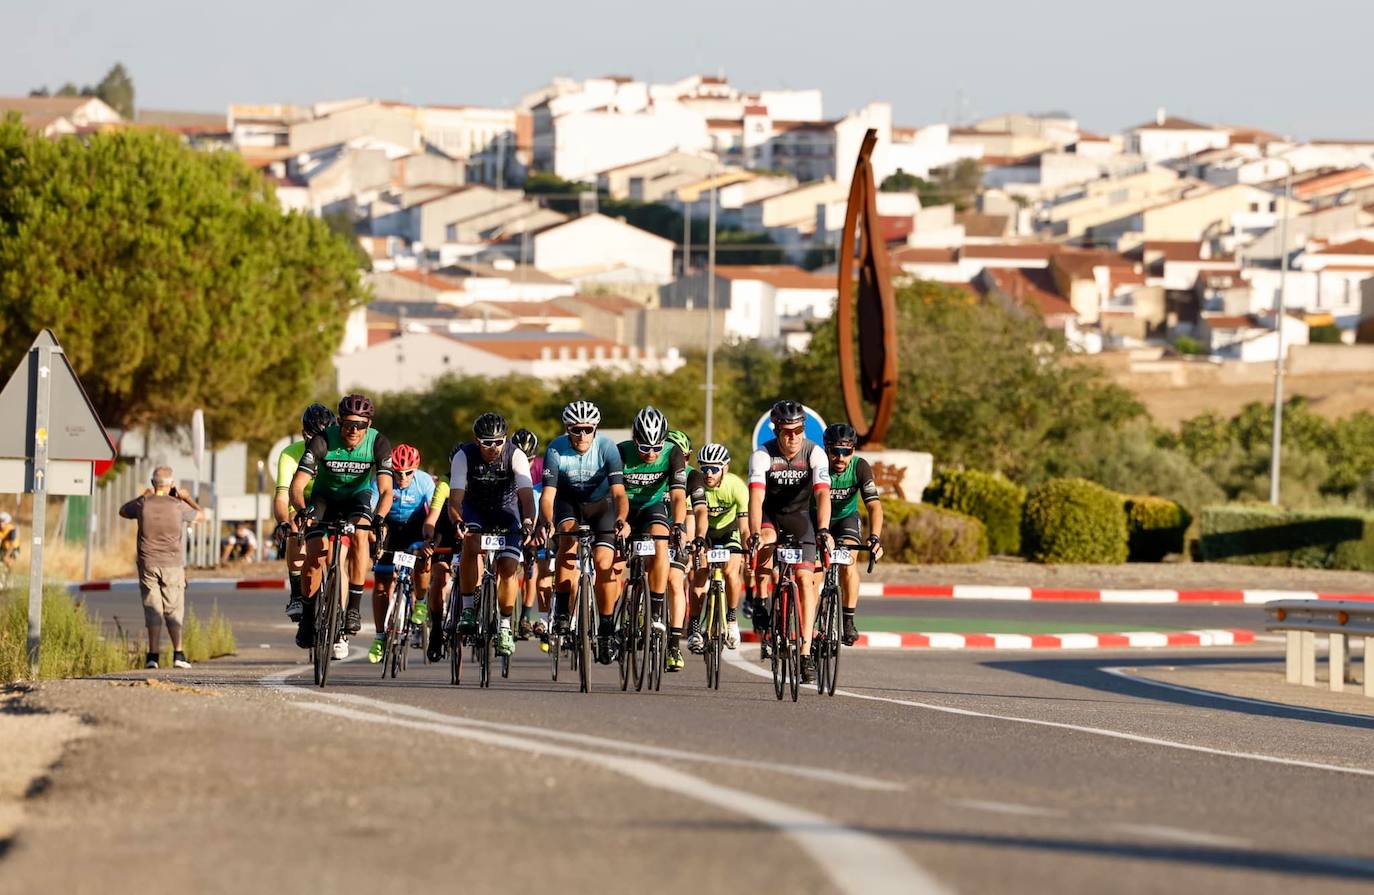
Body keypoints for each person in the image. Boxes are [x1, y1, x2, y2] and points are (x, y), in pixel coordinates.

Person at [290, 394, 394, 660]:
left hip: (356, 499)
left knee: (361, 534)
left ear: (369, 424)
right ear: (339, 422)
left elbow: (385, 492)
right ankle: (308, 617)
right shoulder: (323, 440)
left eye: (360, 425)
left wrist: (379, 519)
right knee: (315, 556)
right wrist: (302, 510)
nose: (353, 430)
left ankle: (353, 608)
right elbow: (298, 485)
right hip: (323, 499)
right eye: (348, 424)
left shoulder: (378, 443)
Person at [536, 401, 628, 664]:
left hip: (602, 507)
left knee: (602, 562)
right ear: (568, 429)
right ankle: (564, 610)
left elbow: (619, 492)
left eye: (588, 429)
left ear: (595, 428)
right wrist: (546, 520)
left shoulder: (607, 448)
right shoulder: (556, 448)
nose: (582, 436)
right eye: (576, 430)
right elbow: (549, 495)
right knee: (567, 539)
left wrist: (621, 518)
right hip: (569, 504)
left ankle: (607, 628)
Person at [747, 400, 831, 685]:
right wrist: (755, 531)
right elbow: (756, 498)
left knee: (806, 580)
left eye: (797, 431)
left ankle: (805, 653)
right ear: (777, 430)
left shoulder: (815, 452)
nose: (792, 437)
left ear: (803, 429)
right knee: (766, 541)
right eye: (786, 432)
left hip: (800, 518)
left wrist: (823, 529)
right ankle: (760, 598)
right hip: (771, 516)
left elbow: (822, 495)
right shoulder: (763, 454)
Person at [448, 413, 537, 659]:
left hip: (507, 512)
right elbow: (455, 499)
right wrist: (457, 520)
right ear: (477, 441)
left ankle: (506, 626)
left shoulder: (515, 455)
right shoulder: (463, 455)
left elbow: (527, 497)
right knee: (471, 541)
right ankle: (467, 608)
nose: (493, 448)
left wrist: (528, 522)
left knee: (508, 566)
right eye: (487, 443)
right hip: (475, 510)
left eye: (498, 442)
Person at [616, 408, 688, 670]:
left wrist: (678, 524)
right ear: (635, 440)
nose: (651, 453)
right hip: (622, 507)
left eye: (656, 446)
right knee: (610, 564)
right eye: (645, 447)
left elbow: (679, 496)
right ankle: (608, 617)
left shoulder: (673, 452)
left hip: (652, 508)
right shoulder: (621, 451)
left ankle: (656, 611)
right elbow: (612, 492)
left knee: (661, 541)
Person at [119, 467, 203, 669]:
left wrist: (144, 495)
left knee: (152, 608)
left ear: (152, 482)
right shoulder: (177, 505)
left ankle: (153, 656)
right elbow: (200, 516)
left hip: (148, 563)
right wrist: (186, 497)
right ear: (171, 484)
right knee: (173, 609)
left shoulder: (142, 504)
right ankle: (178, 654)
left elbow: (123, 510)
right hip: (172, 564)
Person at [366, 443, 437, 664]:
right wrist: (375, 544)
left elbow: (433, 515)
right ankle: (379, 636)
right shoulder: (381, 481)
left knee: (423, 559)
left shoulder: (424, 482)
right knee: (381, 582)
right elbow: (369, 517)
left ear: (416, 470)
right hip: (388, 530)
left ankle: (422, 601)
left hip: (416, 528)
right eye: (397, 473)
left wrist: (428, 542)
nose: (403, 477)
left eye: (408, 473)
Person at [817, 423, 884, 645]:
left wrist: (875, 537)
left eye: (846, 451)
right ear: (826, 450)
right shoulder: (817, 465)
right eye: (835, 451)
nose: (840, 457)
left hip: (846, 518)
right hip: (817, 518)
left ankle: (847, 620)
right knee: (814, 567)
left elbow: (874, 506)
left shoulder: (860, 467)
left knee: (848, 561)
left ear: (853, 451)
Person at [274, 403, 336, 622]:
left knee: (333, 552)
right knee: (293, 524)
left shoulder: (338, 450)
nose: (320, 443)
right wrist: (282, 521)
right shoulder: (290, 454)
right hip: (299, 499)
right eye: (314, 437)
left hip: (328, 501)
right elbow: (282, 496)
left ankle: (337, 600)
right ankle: (297, 593)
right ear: (304, 435)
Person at [688, 443, 750, 653]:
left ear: (726, 468)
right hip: (704, 533)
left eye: (714, 468)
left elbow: (744, 525)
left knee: (731, 572)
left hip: (729, 531)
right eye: (704, 468)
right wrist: (693, 543)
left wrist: (747, 547)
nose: (708, 473)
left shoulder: (736, 486)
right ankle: (695, 626)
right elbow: (691, 521)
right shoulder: (696, 485)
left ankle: (732, 619)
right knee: (700, 575)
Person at [511, 428, 552, 640]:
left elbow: (541, 498)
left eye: (528, 459)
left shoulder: (542, 468)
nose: (523, 463)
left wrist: (537, 528)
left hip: (533, 514)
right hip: (510, 512)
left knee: (531, 564)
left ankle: (526, 615)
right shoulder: (505, 462)